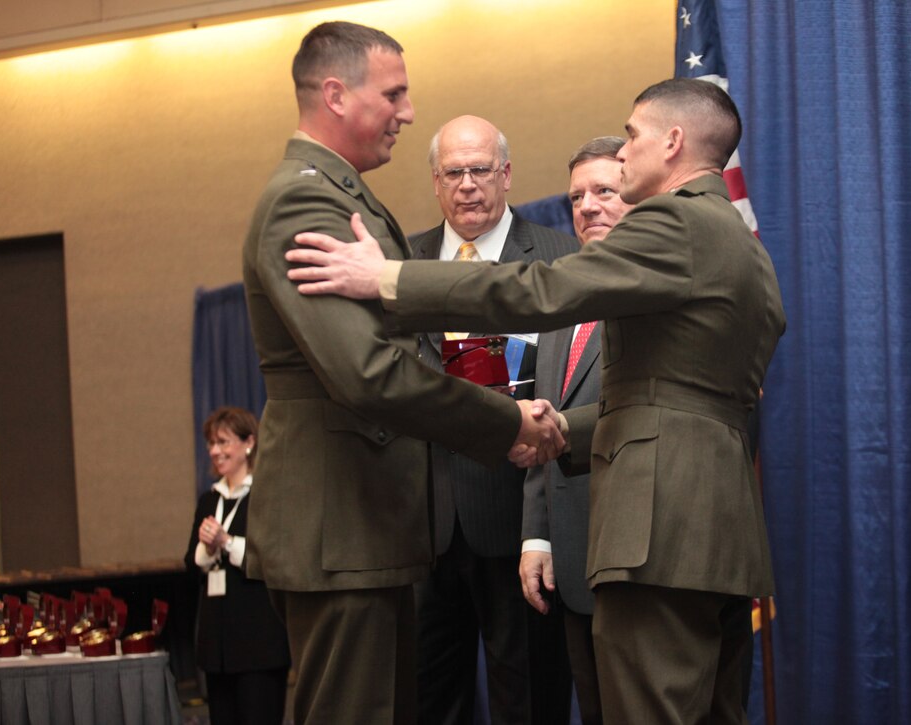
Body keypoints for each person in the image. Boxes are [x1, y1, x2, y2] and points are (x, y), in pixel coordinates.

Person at [285, 77, 786, 724]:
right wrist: (559, 432)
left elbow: (540, 291)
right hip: (721, 528)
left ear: (674, 140)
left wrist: (383, 274)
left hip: (658, 525)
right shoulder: (741, 243)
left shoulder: (675, 219)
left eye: (631, 137)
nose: (623, 153)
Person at [239, 21, 563, 725]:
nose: (407, 112)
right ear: (335, 94)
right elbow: (367, 372)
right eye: (394, 94)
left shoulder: (341, 192)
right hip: (340, 523)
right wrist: (505, 420)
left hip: (367, 525)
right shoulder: (306, 200)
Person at [410, 115, 577, 725]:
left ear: (506, 174)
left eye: (480, 170)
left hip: (520, 518)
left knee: (528, 700)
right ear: (435, 181)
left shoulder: (559, 258)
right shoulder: (406, 261)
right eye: (453, 173)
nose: (468, 185)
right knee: (429, 701)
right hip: (427, 527)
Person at [519, 136, 634, 725]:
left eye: (604, 191)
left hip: (640, 562)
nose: (587, 206)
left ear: (637, 195)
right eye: (576, 197)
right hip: (570, 557)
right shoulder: (562, 290)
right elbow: (544, 414)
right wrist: (537, 535)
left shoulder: (657, 287)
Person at [184, 406, 290, 725]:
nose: (215, 451)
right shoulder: (209, 499)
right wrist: (207, 545)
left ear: (248, 444)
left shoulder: (265, 495)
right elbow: (192, 562)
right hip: (218, 644)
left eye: (223, 442)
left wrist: (226, 542)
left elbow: (272, 559)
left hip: (259, 640)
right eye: (211, 444)